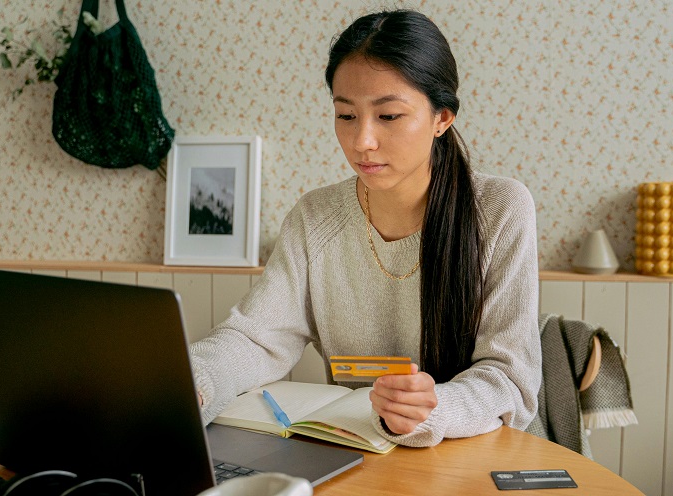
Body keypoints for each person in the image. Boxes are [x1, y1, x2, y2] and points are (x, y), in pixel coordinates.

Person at [191, 9, 540, 448]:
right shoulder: (315, 216)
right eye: (346, 116)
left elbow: (510, 378)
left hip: (474, 455)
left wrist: (433, 409)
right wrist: (192, 380)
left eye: (388, 116)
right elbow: (257, 339)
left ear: (442, 118)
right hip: (359, 455)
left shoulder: (500, 209)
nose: (362, 142)